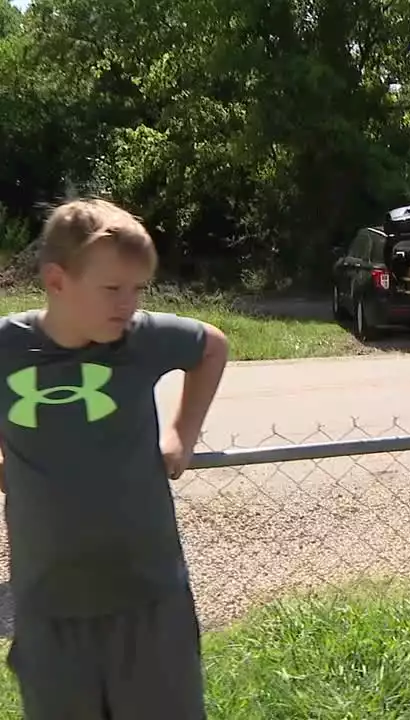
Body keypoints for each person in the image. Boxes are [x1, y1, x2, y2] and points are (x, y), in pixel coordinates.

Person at [0, 198, 229, 719]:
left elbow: (212, 347)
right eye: (112, 289)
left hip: (148, 598)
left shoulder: (140, 340)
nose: (128, 304)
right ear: (57, 281)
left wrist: (181, 433)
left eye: (138, 289)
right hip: (48, 607)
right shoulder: (7, 348)